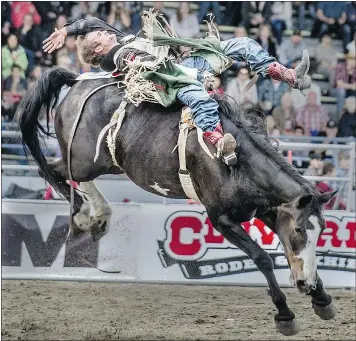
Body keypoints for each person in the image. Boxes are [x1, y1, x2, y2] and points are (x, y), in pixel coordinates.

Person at [42, 13, 311, 166]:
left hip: (184, 63)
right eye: (98, 35)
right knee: (199, 98)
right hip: (171, 82)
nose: (103, 31)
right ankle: (219, 143)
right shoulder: (115, 56)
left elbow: (90, 20)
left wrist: (66, 31)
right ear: (98, 49)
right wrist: (173, 65)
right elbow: (148, 66)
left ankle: (287, 75)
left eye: (101, 31)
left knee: (243, 44)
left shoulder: (119, 39)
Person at [332, 52, 356, 118]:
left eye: (354, 60)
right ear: (347, 60)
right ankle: (340, 115)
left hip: (350, 91)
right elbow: (339, 84)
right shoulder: (340, 66)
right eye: (351, 59)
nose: (353, 62)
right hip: (336, 90)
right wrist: (351, 86)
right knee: (341, 91)